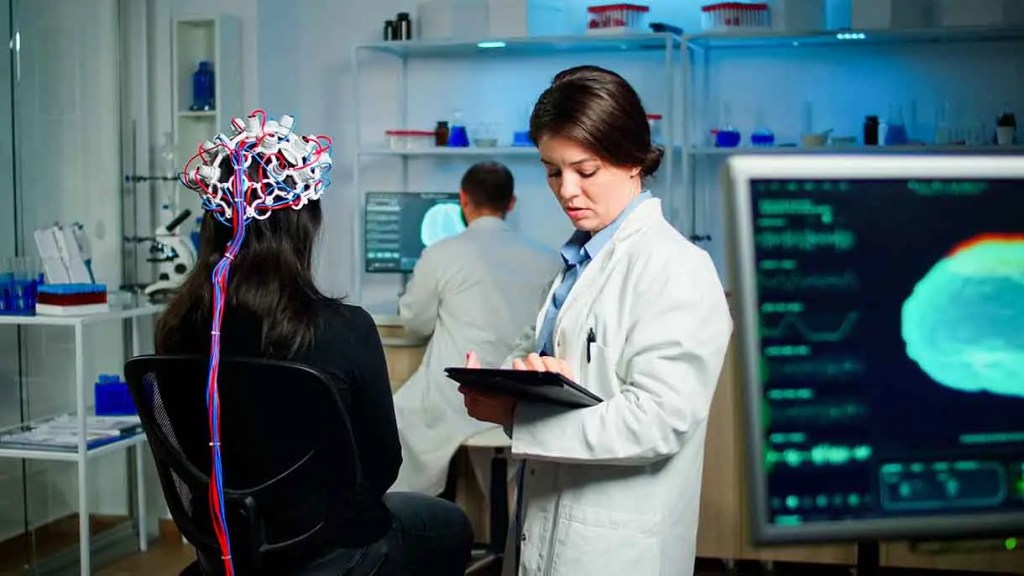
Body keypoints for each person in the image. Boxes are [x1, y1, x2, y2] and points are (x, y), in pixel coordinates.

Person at [155, 111, 473, 575]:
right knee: (448, 524)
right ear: (304, 226)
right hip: (333, 551)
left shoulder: (178, 329)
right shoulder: (345, 328)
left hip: (225, 550)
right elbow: (383, 464)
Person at [458, 67, 733, 576]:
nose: (566, 191)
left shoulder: (677, 268)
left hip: (617, 547)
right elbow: (549, 360)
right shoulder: (576, 266)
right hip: (546, 523)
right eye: (552, 171)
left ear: (632, 158)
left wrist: (519, 417)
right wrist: (507, 376)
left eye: (585, 171)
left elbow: (658, 421)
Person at [392, 161, 562, 496]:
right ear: (510, 203)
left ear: (462, 199)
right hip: (518, 401)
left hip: (456, 398)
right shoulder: (549, 258)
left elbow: (415, 322)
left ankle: (417, 528)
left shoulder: (441, 254)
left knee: (392, 419)